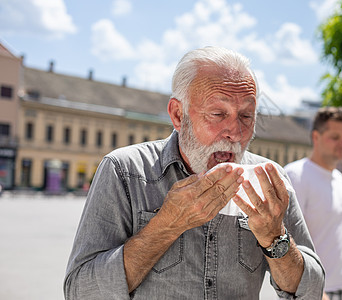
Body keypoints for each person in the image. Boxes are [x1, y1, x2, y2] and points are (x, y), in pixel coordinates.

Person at [64, 46, 324, 299]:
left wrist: (275, 238)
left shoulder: (269, 181)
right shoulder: (125, 171)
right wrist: (166, 225)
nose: (235, 132)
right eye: (218, 113)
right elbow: (80, 291)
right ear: (178, 115)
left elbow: (312, 291)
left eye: (246, 115)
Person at [285, 106, 342, 300]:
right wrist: (314, 291)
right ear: (316, 137)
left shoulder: (340, 178)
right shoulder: (296, 175)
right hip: (312, 293)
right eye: (335, 137)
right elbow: (285, 242)